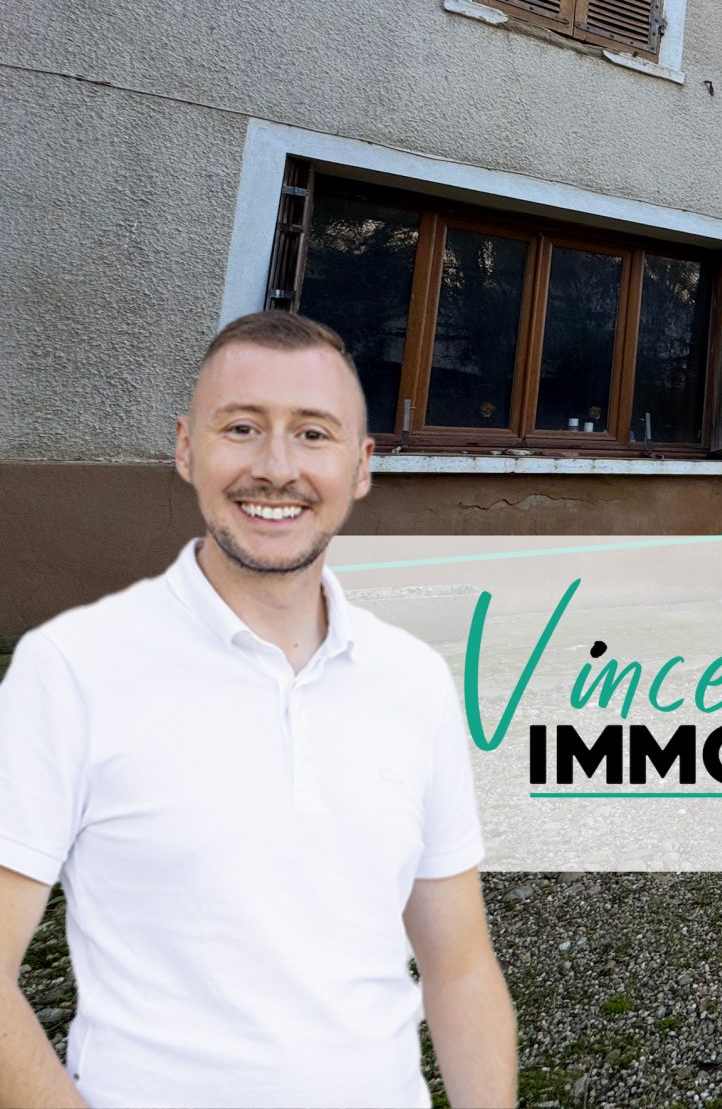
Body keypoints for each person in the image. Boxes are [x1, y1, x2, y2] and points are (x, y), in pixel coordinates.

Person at [0, 311, 516, 1107]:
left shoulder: (413, 679)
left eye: (313, 434)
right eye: (241, 428)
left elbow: (460, 965)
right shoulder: (72, 669)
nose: (276, 468)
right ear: (186, 449)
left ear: (360, 465)